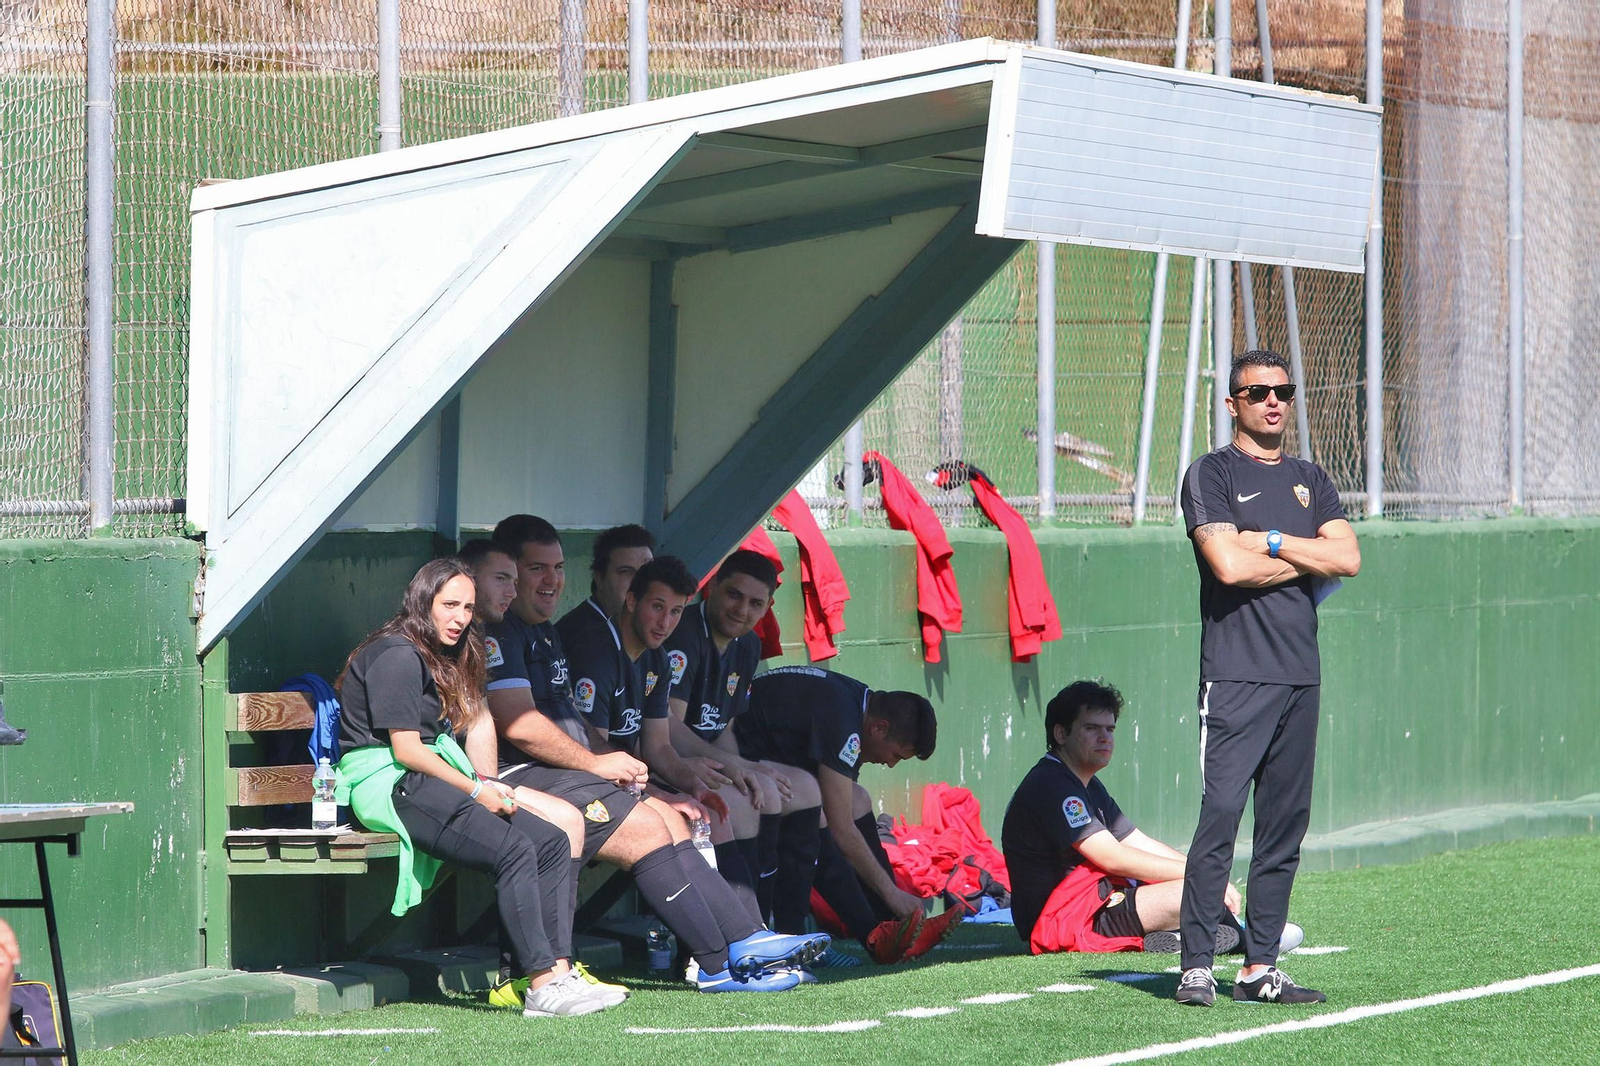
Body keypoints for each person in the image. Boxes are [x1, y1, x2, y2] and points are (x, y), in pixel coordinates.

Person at [484, 515, 826, 993]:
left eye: (557, 567)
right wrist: (601, 765)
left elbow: (583, 730)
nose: (550, 580)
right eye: (534, 569)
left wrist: (644, 775)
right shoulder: (512, 633)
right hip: (515, 775)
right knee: (653, 820)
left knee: (670, 817)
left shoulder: (544, 632)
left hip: (559, 773)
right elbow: (520, 726)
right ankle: (716, 962)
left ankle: (743, 942)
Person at [333, 557, 610, 1017]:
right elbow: (407, 751)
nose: (460, 617)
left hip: (428, 773)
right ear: (423, 602)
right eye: (449, 605)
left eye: (467, 607)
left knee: (550, 840)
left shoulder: (446, 650)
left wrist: (481, 784)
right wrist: (478, 789)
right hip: (388, 781)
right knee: (514, 850)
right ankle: (541, 986)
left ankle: (558, 972)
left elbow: (459, 729)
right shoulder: (397, 653)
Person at [1176, 349, 1361, 1007]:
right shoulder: (1213, 474)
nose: (1273, 402)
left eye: (1282, 390)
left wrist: (1276, 542)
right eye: (1257, 393)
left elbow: (1349, 557)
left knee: (1283, 827)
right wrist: (1311, 558)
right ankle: (1196, 963)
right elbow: (1227, 565)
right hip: (1234, 676)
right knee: (1222, 815)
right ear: (1234, 404)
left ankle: (1259, 968)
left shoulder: (1313, 478)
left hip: (1299, 677)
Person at [1002, 681, 1301, 957]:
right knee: (1194, 892)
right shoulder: (1053, 785)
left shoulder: (1084, 782)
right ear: (1061, 734)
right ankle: (1245, 940)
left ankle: (1187, 936)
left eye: (1110, 729)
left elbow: (1137, 841)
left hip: (1094, 902)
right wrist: (1202, 878)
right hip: (1062, 917)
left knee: (1198, 889)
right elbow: (1113, 858)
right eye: (1092, 728)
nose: (1105, 738)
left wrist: (1204, 871)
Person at [734, 666, 937, 960]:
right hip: (733, 762)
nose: (890, 764)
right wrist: (893, 894)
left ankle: (890, 927)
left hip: (765, 762)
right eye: (895, 755)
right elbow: (842, 831)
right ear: (879, 728)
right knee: (819, 814)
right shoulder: (845, 720)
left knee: (857, 800)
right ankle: (803, 939)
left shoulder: (855, 704)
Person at [662, 550, 791, 920]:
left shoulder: (748, 644)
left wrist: (744, 769)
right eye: (734, 595)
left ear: (768, 606)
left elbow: (724, 727)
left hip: (706, 756)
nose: (742, 611)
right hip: (669, 761)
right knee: (745, 801)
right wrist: (736, 767)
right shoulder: (683, 633)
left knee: (784, 790)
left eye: (755, 603)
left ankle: (781, 925)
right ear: (713, 586)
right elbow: (669, 730)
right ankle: (747, 931)